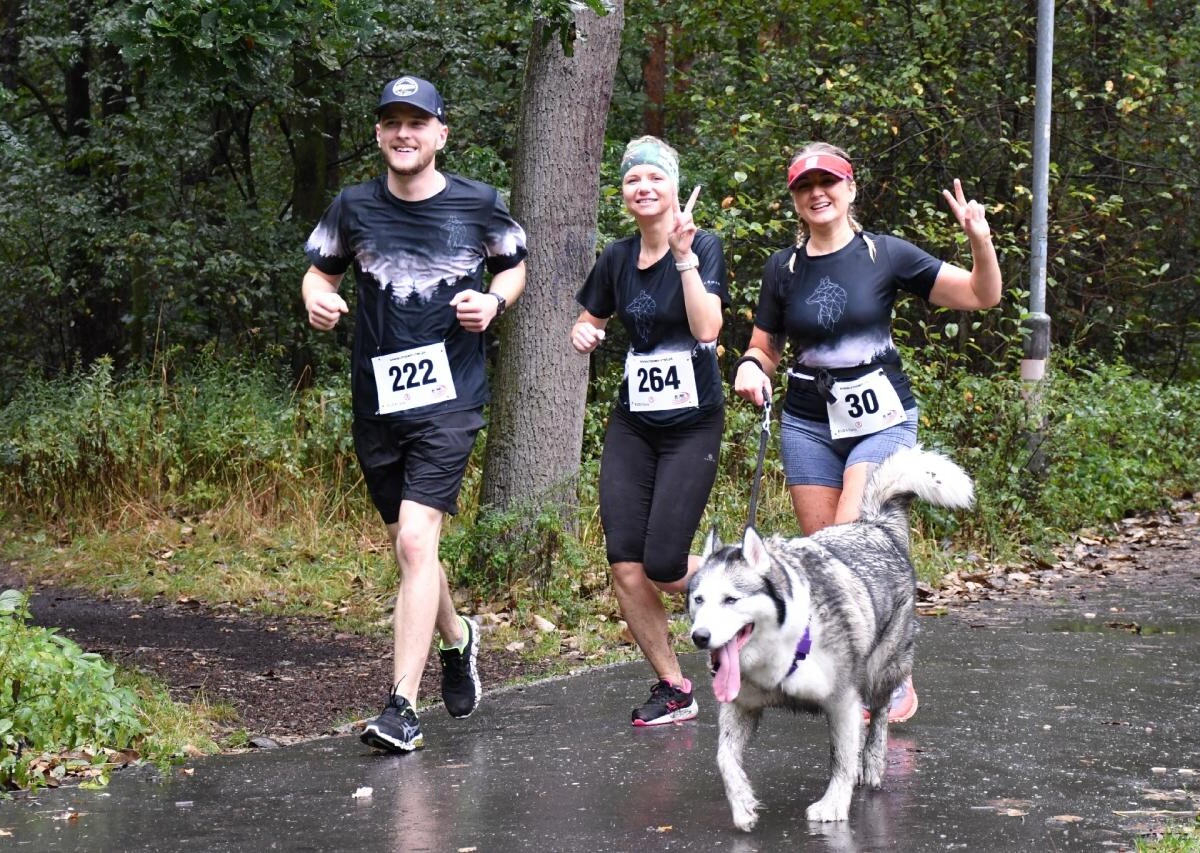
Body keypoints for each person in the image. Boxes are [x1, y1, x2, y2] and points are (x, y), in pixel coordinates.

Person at [731, 142, 1001, 723]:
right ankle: (861, 674)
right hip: (808, 421)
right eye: (805, 186)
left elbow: (983, 295)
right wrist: (752, 366)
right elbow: (765, 344)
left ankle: (890, 672)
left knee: (851, 537)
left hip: (880, 416)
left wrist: (979, 238)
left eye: (829, 182)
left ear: (851, 190)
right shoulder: (784, 267)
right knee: (824, 553)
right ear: (796, 200)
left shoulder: (886, 254)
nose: (818, 193)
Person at [301, 75, 527, 753]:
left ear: (440, 134)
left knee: (412, 541)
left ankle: (401, 705)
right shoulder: (352, 206)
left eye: (417, 122)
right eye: (392, 123)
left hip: (450, 396)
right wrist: (315, 299)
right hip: (379, 400)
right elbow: (319, 271)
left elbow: (515, 264)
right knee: (414, 546)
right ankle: (457, 637)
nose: (404, 134)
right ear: (378, 134)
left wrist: (495, 302)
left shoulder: (478, 203)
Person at [571, 136, 729, 726]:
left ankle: (750, 591)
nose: (644, 187)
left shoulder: (704, 246)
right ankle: (674, 687)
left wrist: (684, 258)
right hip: (634, 423)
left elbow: (708, 329)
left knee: (664, 563)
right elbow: (588, 321)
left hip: (692, 423)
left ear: (672, 187)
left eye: (655, 179)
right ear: (624, 193)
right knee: (624, 562)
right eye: (633, 179)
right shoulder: (615, 258)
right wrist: (583, 334)